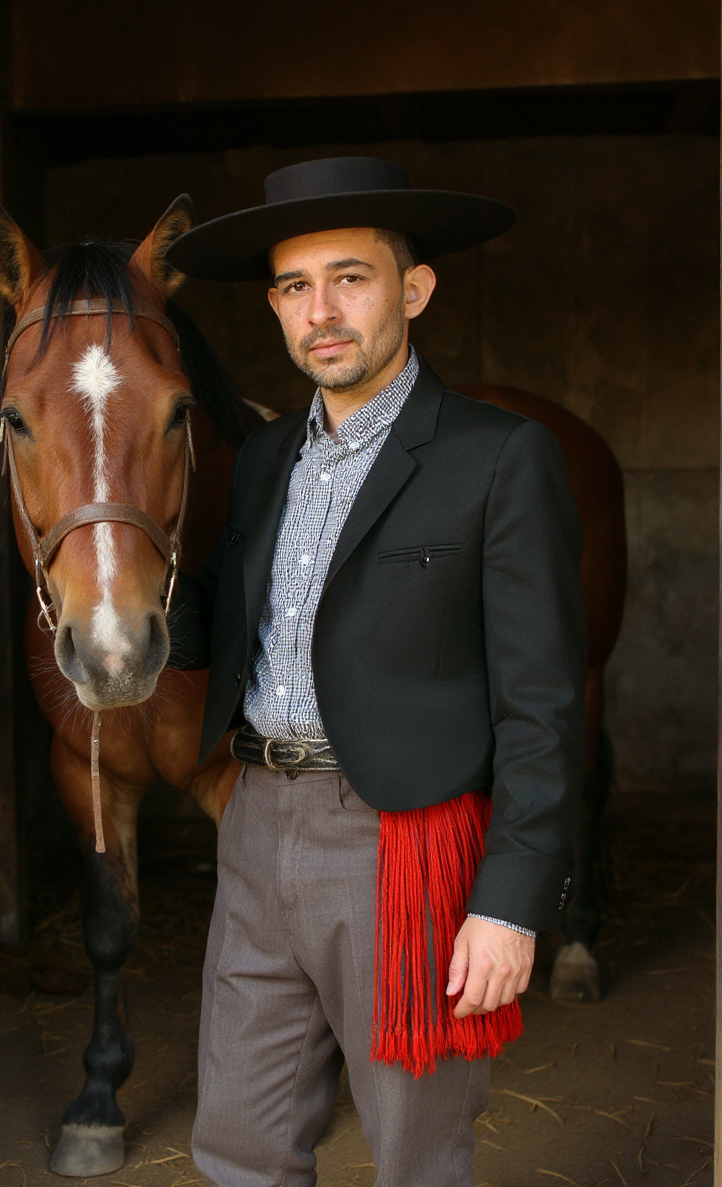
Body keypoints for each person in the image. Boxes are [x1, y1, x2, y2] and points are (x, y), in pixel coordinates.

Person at [166, 156, 587, 1187]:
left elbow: (543, 705)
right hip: (256, 822)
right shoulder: (266, 457)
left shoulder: (496, 457)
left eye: (349, 277)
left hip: (399, 840)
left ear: (414, 288)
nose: (322, 312)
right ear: (273, 305)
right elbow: (203, 623)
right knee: (238, 1138)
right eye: (294, 287)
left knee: (413, 1149)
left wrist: (511, 900)